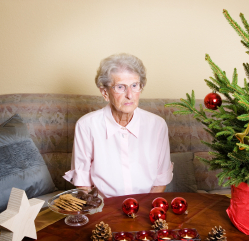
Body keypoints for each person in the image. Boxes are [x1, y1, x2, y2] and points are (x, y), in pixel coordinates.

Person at [63, 53, 173, 198]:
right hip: (104, 208)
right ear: (105, 93)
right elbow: (83, 183)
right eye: (120, 87)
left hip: (145, 206)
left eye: (134, 85)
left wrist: (142, 210)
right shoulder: (86, 125)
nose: (130, 95)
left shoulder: (157, 125)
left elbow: (160, 179)